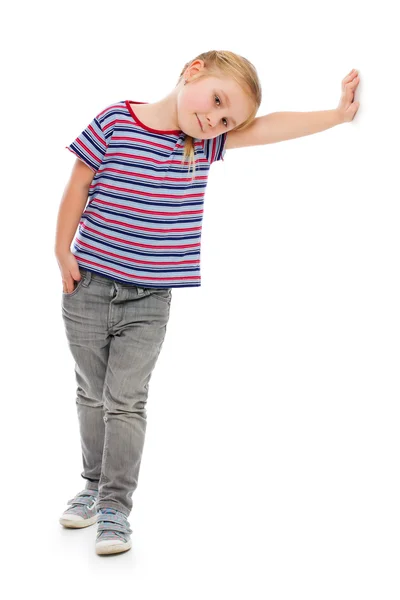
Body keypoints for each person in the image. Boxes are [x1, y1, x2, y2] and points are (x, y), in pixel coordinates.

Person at [55, 49, 360, 556]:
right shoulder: (114, 121)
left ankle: (115, 507)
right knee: (91, 393)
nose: (214, 120)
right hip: (86, 286)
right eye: (217, 102)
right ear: (193, 69)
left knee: (126, 401)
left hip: (150, 300)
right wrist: (61, 250)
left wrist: (336, 115)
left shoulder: (203, 144)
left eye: (226, 120)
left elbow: (269, 129)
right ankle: (90, 485)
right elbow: (77, 186)